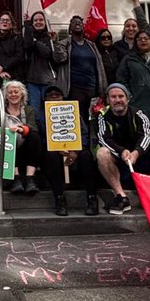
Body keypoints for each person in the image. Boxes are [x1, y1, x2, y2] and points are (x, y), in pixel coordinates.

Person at [95, 83, 150, 214]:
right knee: (101, 153)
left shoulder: (139, 114)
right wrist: (121, 151)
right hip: (118, 159)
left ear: (128, 99)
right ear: (108, 100)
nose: (117, 100)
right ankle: (121, 197)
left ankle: (149, 196)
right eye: (113, 97)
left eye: (121, 96)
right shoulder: (102, 116)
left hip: (140, 157)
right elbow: (104, 139)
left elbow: (147, 136)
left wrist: (136, 153)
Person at [41, 84, 101, 216]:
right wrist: (57, 148)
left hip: (75, 148)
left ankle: (92, 198)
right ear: (45, 99)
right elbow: (41, 137)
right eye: (51, 96)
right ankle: (59, 198)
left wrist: (76, 151)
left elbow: (83, 134)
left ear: (63, 98)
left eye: (58, 96)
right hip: (53, 150)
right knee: (50, 156)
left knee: (86, 156)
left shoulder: (74, 113)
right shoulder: (41, 116)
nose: (55, 99)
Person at [0, 80, 42, 195]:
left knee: (35, 136)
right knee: (7, 137)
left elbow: (33, 127)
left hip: (25, 149)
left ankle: (30, 179)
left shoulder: (29, 110)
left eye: (16, 92)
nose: (13, 94)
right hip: (7, 149)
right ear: (6, 95)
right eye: (10, 92)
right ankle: (15, 178)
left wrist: (22, 129)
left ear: (22, 94)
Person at [23, 10, 66, 120]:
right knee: (35, 112)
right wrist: (27, 25)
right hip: (32, 81)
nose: (38, 22)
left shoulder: (50, 38)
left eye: (41, 20)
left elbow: (47, 53)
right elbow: (27, 46)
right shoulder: (28, 36)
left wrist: (36, 42)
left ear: (45, 22)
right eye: (35, 20)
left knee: (50, 111)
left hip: (48, 80)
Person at [61, 14, 106, 116]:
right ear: (70, 28)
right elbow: (59, 59)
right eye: (74, 22)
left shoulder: (92, 45)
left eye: (80, 22)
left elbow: (100, 67)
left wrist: (102, 88)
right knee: (77, 117)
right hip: (74, 88)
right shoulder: (65, 44)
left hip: (92, 87)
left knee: (92, 117)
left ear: (83, 26)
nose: (77, 24)